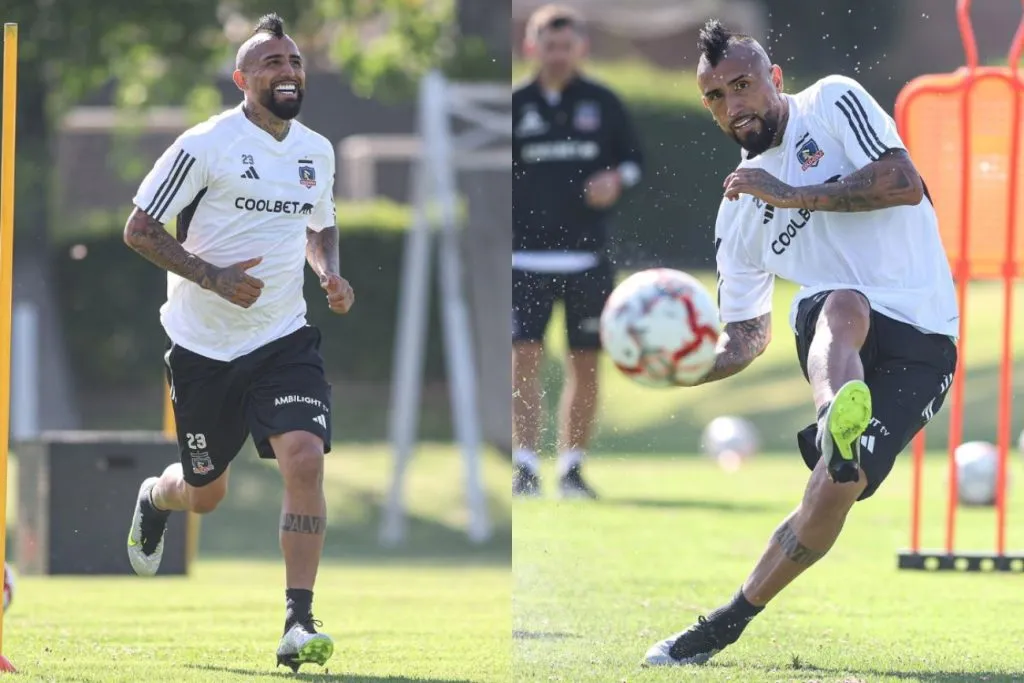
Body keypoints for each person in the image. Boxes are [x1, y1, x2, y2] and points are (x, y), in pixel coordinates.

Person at [644, 19, 958, 666]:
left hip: (928, 338)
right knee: (839, 301)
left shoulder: (832, 100)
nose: (734, 106)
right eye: (716, 97)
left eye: (743, 85)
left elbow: (902, 180)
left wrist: (793, 195)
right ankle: (835, 422)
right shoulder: (737, 211)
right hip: (842, 334)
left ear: (774, 79)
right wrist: (675, 367)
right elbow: (746, 338)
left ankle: (732, 613)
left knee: (835, 491)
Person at [122, 13, 354, 673]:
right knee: (205, 494)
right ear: (242, 79)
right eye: (272, 63)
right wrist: (211, 277)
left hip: (283, 338)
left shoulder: (316, 150)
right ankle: (155, 495)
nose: (288, 72)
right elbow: (139, 229)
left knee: (305, 459)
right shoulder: (205, 145)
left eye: (295, 62)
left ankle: (297, 619)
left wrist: (329, 272)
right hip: (203, 348)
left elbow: (320, 225)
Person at [512, 4, 644, 499]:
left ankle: (571, 469)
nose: (558, 54)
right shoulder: (516, 104)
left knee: (584, 362)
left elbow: (635, 163)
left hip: (588, 259)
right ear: (532, 47)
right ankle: (524, 466)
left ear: (580, 48)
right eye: (549, 44)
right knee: (523, 359)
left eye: (567, 45)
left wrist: (617, 179)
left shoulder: (604, 103)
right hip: (522, 260)